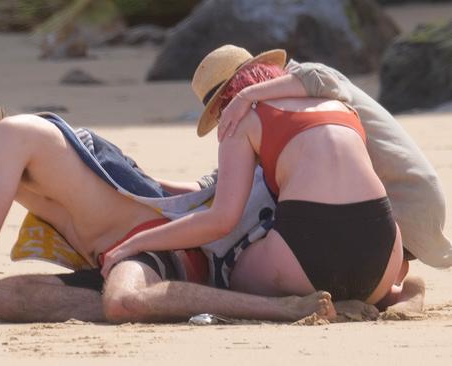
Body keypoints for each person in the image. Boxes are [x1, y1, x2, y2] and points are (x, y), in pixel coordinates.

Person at [0, 96, 335, 323]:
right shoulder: (1, 169)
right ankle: (172, 304)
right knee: (4, 298)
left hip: (161, 250)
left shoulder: (15, 133)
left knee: (122, 302)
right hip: (118, 264)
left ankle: (284, 310)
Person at [101, 45, 405, 307]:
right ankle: (399, 293)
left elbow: (221, 221)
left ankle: (299, 303)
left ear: (223, 104)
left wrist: (134, 244)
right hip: (382, 261)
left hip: (310, 260)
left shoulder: (242, 118)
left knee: (227, 273)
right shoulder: (338, 103)